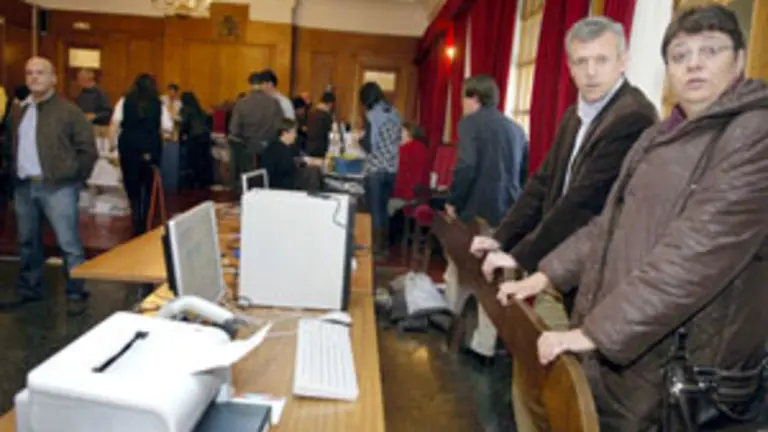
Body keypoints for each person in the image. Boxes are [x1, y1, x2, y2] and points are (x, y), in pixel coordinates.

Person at [498, 5, 768, 430]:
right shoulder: (658, 135)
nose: (694, 64)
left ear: (739, 59)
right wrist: (544, 276)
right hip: (630, 346)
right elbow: (607, 225)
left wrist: (595, 333)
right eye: (680, 55)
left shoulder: (754, 132)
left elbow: (696, 253)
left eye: (710, 50)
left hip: (687, 361)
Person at [468, 17, 657, 431]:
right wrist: (501, 239)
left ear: (622, 61)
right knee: (534, 380)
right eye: (581, 61)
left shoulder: (633, 116)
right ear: (569, 66)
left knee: (561, 395)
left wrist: (519, 258)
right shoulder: (575, 114)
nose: (591, 72)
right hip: (556, 266)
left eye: (601, 60)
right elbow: (542, 184)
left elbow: (581, 204)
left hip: (596, 276)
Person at [1, 57, 97, 309]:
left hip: (59, 187)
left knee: (69, 244)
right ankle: (30, 289)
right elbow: (10, 145)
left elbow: (87, 149)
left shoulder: (69, 112)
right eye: (29, 73)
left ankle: (76, 292)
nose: (34, 77)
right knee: (27, 242)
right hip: (24, 186)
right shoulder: (18, 111)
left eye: (40, 72)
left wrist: (74, 177)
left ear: (53, 79)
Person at [445, 74, 527, 227]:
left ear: (475, 98)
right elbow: (523, 173)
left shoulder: (469, 124)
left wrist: (454, 200)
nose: (461, 103)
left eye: (463, 97)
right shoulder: (517, 129)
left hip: (477, 209)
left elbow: (467, 166)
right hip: (510, 210)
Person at [111, 74, 173, 236]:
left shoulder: (124, 101)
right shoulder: (159, 104)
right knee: (149, 186)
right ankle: (146, 219)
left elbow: (114, 124)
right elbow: (168, 127)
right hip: (151, 150)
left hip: (129, 148)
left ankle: (135, 216)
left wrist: (112, 147)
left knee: (132, 185)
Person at [358, 82, 401, 258]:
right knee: (383, 209)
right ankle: (383, 247)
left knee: (374, 210)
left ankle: (375, 248)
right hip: (391, 168)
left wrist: (359, 140)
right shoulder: (395, 113)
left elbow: (370, 145)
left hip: (375, 168)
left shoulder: (371, 115)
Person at [228, 72, 283, 193]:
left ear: (250, 84)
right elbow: (279, 127)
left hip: (248, 149)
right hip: (269, 149)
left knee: (249, 183)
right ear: (262, 84)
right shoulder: (274, 103)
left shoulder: (241, 103)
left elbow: (234, 129)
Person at [179, 92, 213, 188]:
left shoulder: (186, 109)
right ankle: (203, 182)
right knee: (203, 162)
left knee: (192, 163)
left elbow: (184, 125)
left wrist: (180, 135)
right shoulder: (200, 109)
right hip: (205, 137)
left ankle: (192, 183)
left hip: (194, 138)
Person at [260, 118, 301, 190]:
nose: (296, 135)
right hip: (280, 189)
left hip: (284, 184)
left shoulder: (286, 146)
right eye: (294, 132)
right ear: (284, 133)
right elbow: (288, 171)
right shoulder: (279, 150)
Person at [305, 91, 336, 158]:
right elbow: (330, 131)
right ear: (330, 103)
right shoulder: (325, 115)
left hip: (309, 145)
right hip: (320, 147)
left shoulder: (311, 112)